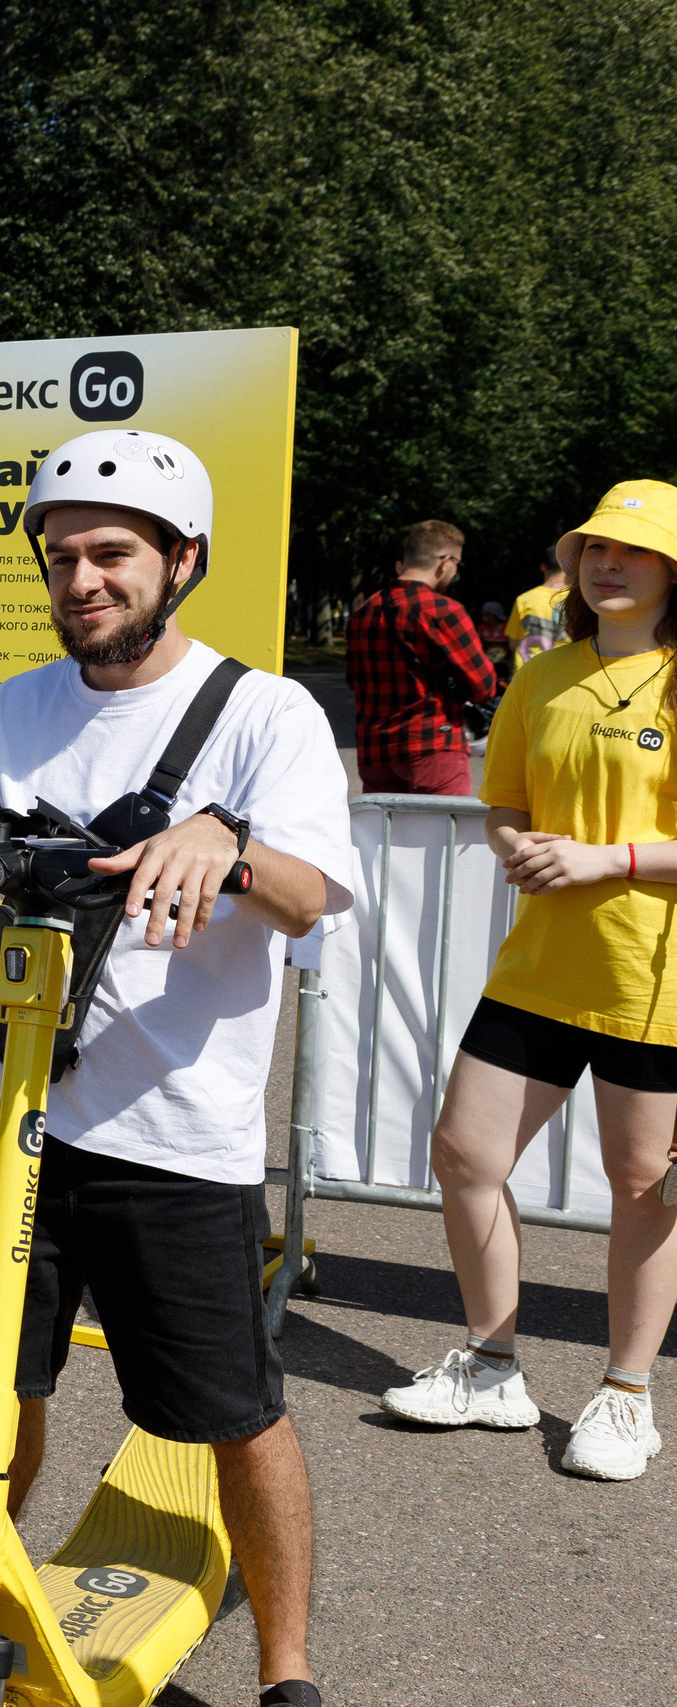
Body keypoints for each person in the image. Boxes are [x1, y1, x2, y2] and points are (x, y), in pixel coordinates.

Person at [0, 430, 354, 1707]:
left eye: (111, 553)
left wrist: (229, 839)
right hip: (22, 1119)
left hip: (178, 1136)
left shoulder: (261, 715)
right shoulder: (12, 713)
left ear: (181, 560)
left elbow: (314, 893)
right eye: (62, 558)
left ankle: (288, 1671)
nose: (83, 578)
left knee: (233, 1414)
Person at [380, 480, 677, 1483]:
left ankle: (627, 1395)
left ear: (671, 570)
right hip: (539, 972)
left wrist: (611, 861)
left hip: (652, 982)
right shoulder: (541, 678)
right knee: (463, 1154)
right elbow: (502, 801)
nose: (608, 564)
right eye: (595, 548)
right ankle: (493, 1364)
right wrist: (518, 845)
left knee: (644, 1191)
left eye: (632, 551)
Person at [345, 520, 500, 795]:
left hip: (375, 752)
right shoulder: (444, 611)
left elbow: (353, 680)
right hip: (434, 748)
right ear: (446, 562)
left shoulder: (364, 610)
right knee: (443, 836)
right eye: (458, 566)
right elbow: (483, 686)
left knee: (385, 836)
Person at [507, 554, 572, 663]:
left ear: (543, 566)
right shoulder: (577, 599)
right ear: (567, 567)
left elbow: (513, 644)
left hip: (528, 672)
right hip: (566, 671)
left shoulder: (524, 599)